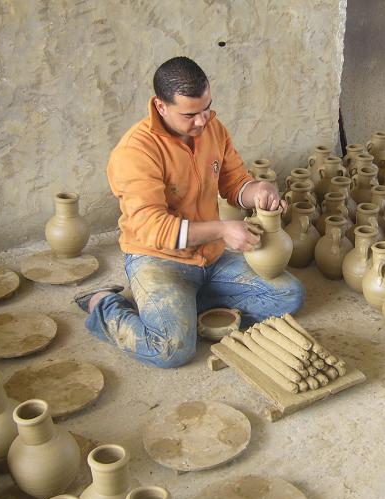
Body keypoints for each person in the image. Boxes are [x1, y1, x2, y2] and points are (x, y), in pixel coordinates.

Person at [75, 56, 305, 368]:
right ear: (160, 107)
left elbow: (234, 182)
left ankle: (179, 308)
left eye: (206, 107)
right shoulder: (136, 151)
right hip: (158, 260)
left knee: (289, 295)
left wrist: (257, 191)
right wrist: (222, 230)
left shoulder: (213, 129)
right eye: (190, 114)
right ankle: (105, 304)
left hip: (209, 257)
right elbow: (153, 228)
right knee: (171, 349)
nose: (202, 121)